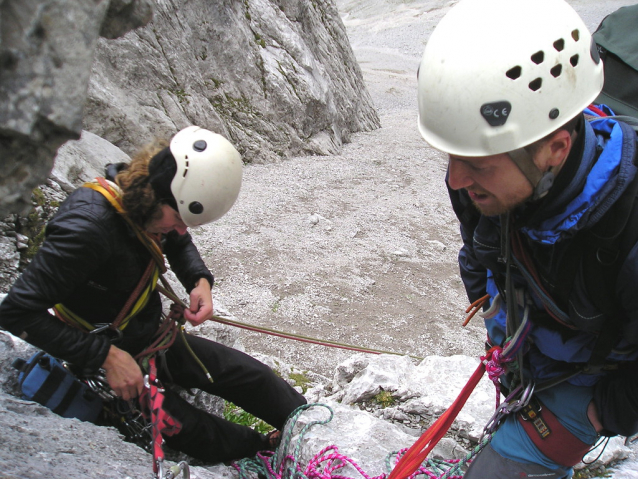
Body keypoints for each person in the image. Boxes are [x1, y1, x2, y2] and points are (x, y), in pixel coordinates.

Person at [416, 0, 638, 477]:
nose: (455, 179)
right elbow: (477, 242)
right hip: (535, 348)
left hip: (595, 377)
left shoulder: (630, 222)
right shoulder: (483, 175)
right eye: (452, 157)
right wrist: (487, 301)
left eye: (475, 163)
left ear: (556, 147)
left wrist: (612, 409)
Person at [0, 125, 307, 463]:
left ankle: (307, 428)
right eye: (177, 218)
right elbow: (17, 311)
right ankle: (262, 450)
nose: (180, 230)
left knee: (252, 377)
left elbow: (177, 239)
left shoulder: (144, 196)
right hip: (101, 359)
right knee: (196, 430)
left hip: (149, 337)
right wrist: (107, 357)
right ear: (155, 196)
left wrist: (198, 280)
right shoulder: (86, 230)